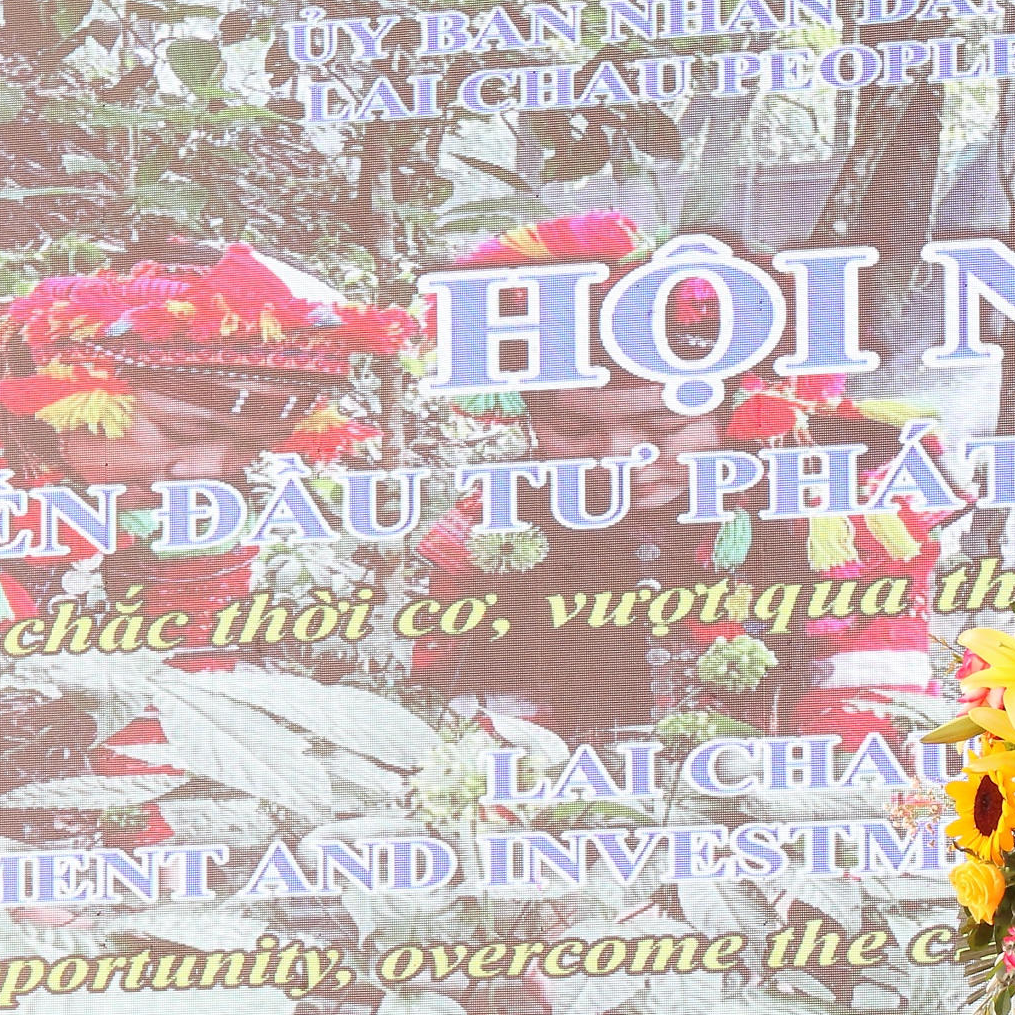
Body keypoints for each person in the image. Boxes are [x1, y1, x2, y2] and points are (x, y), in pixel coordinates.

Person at [410, 212, 960, 749]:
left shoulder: (839, 515)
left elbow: (868, 712)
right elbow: (468, 707)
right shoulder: (501, 523)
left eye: (662, 426)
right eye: (576, 429)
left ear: (738, 409)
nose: (624, 457)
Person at [0, 237, 411, 832]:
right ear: (69, 390)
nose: (201, 469)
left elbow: (186, 662)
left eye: (242, 448)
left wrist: (138, 824)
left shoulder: (199, 515)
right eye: (175, 431)